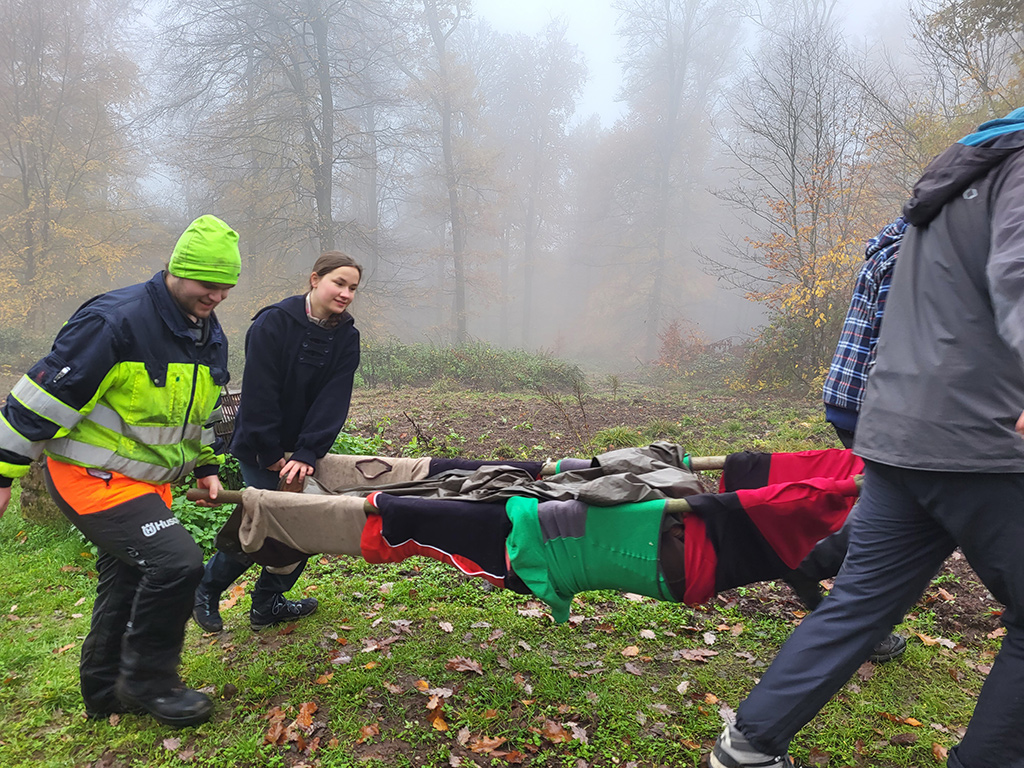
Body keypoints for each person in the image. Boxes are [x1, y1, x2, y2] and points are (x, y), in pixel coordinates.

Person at [709, 107, 1024, 768]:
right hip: (980, 438)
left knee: (858, 604)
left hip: (900, 430)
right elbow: (1017, 275)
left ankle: (748, 747)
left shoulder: (954, 182)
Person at [0, 214, 240, 728]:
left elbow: (198, 414)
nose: (217, 296)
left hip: (147, 482)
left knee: (130, 579)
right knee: (177, 565)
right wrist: (4, 471)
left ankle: (105, 689)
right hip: (91, 476)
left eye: (226, 287)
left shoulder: (207, 332)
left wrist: (205, 465)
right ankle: (151, 683)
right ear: (177, 270)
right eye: (208, 284)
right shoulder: (117, 320)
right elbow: (40, 397)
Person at [192, 251, 361, 633]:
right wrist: (269, 453)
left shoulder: (347, 336)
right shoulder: (274, 322)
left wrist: (306, 451)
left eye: (353, 287)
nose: (346, 293)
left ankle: (267, 603)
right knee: (267, 521)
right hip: (260, 445)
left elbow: (333, 399)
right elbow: (259, 393)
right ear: (315, 279)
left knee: (302, 525)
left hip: (302, 453)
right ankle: (206, 588)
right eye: (339, 283)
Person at [822, 216, 906, 448]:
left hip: (850, 395)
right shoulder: (904, 260)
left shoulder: (890, 248)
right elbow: (890, 347)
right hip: (862, 403)